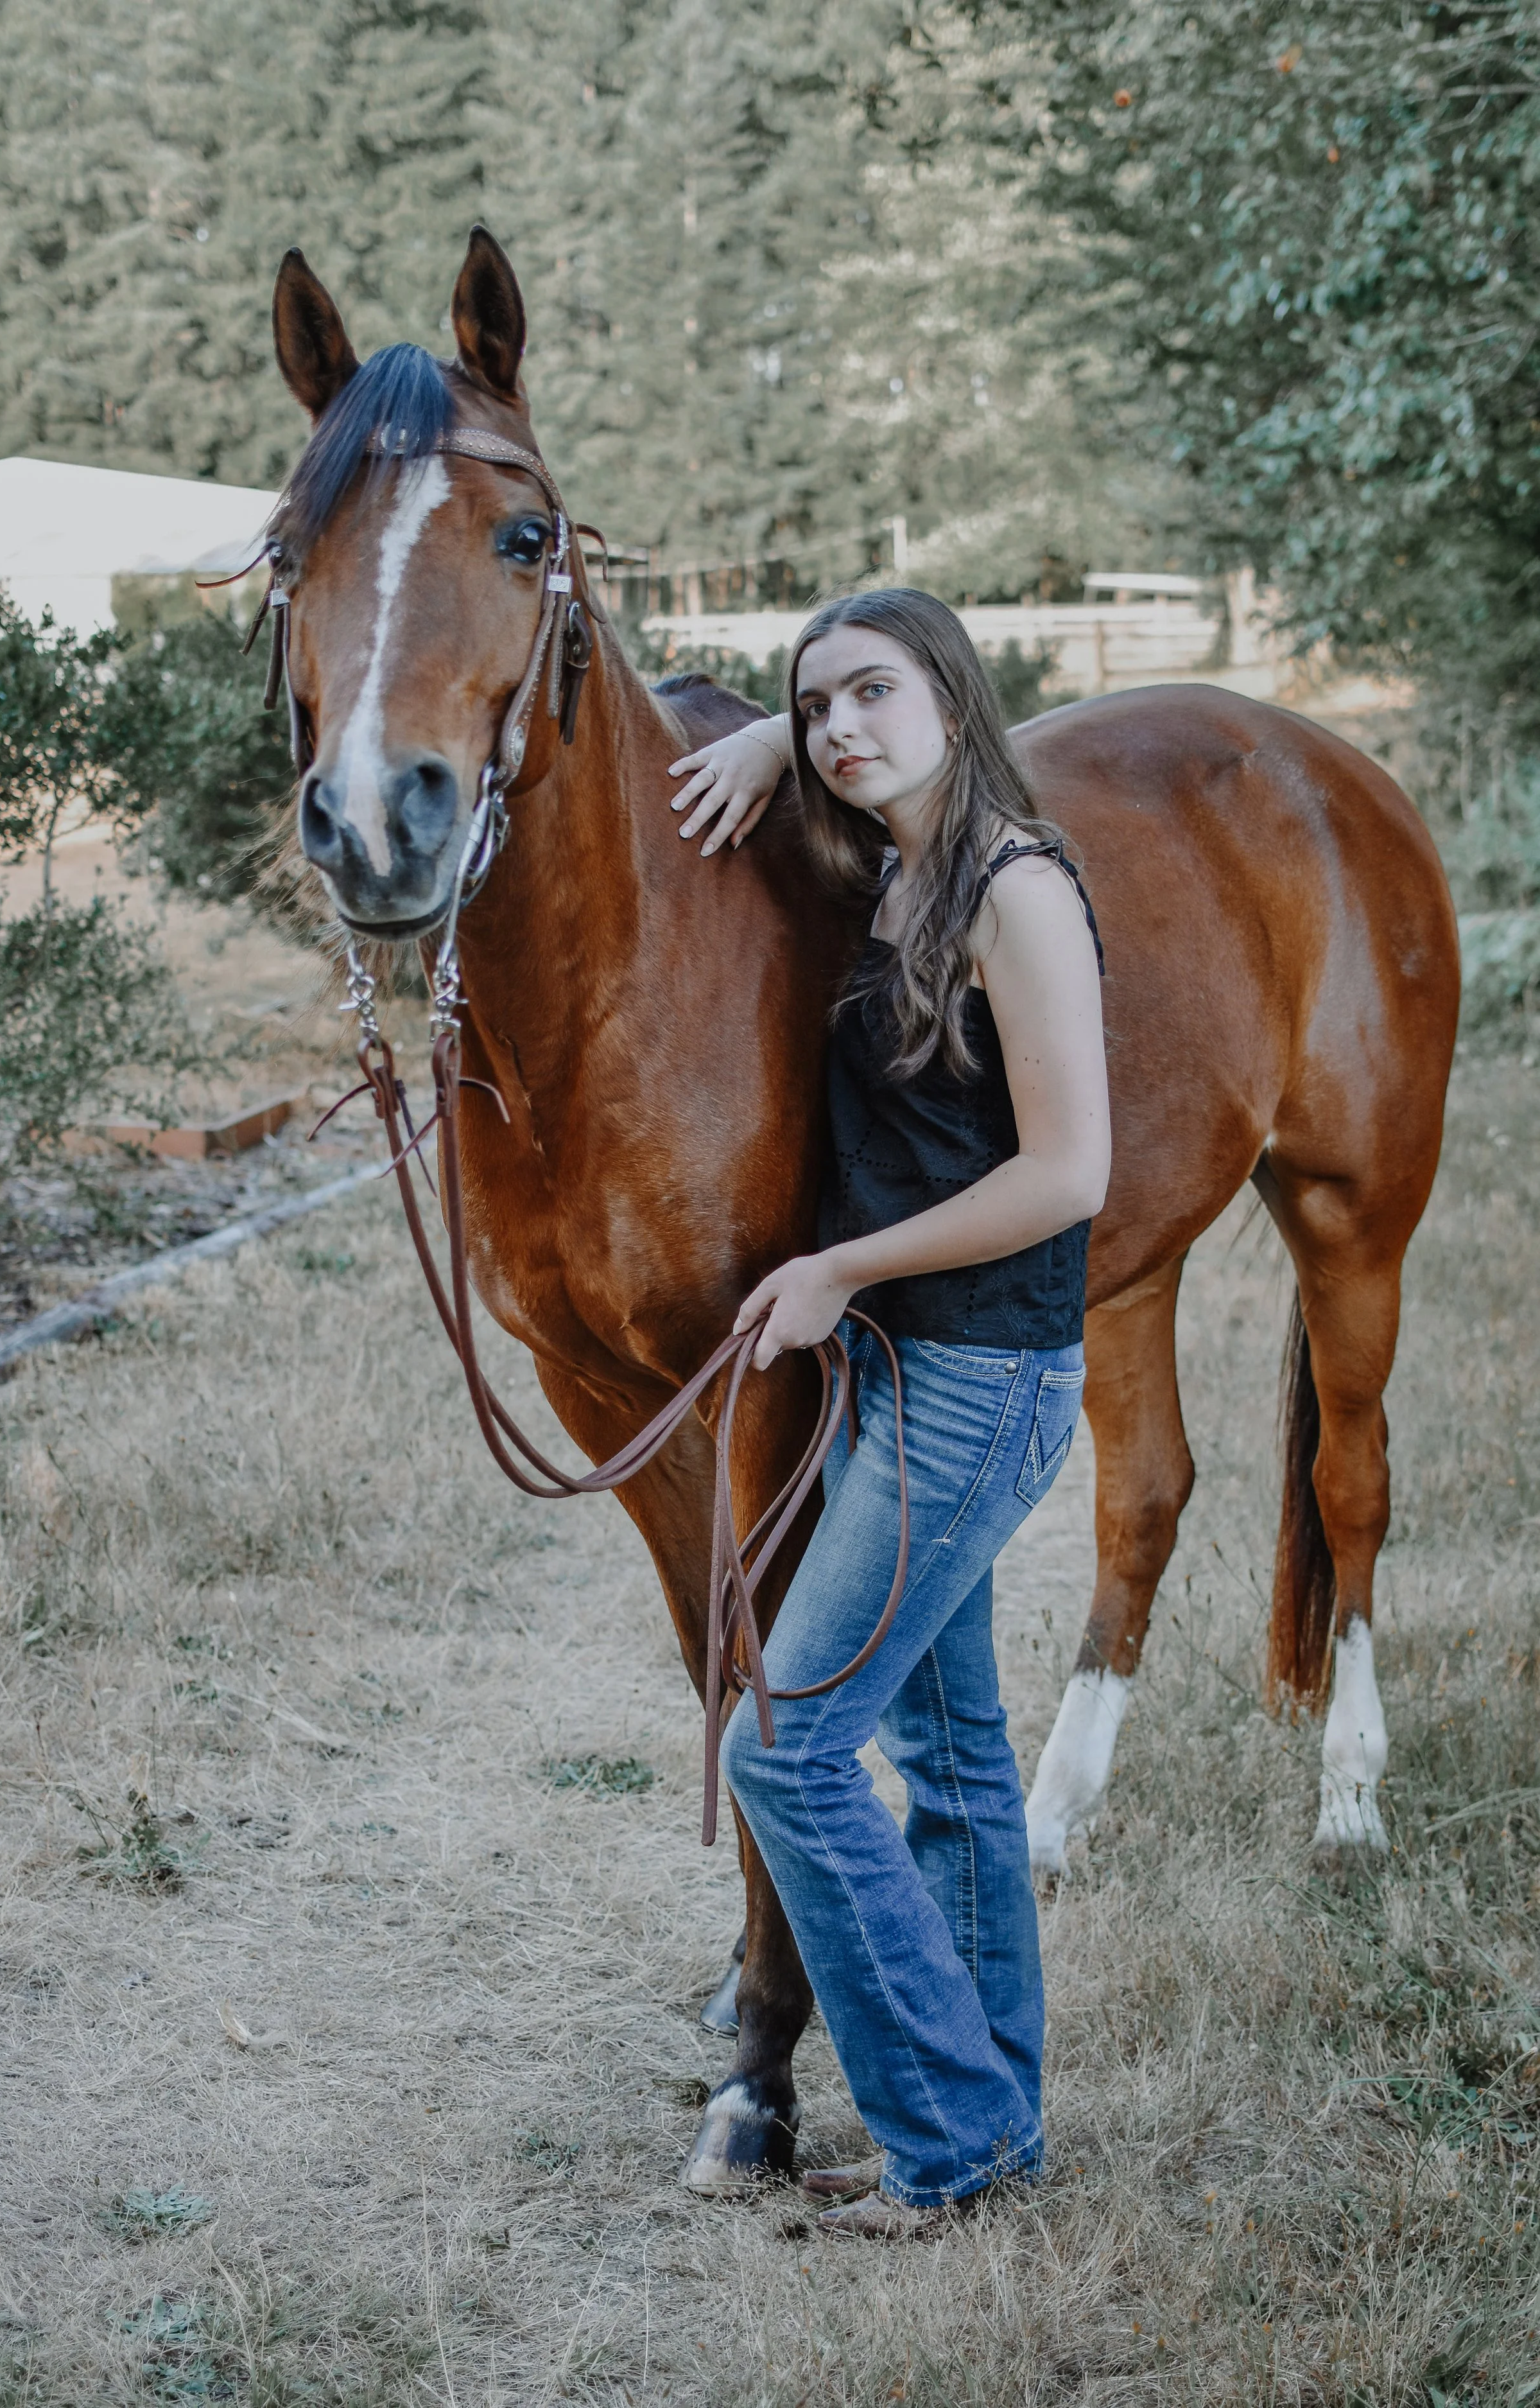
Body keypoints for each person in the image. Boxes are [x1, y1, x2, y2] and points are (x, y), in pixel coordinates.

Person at [668, 589, 1109, 2238]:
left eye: (872, 692)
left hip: (976, 1381)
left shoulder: (1015, 888)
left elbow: (1068, 1173)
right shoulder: (905, 871)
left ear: (950, 690)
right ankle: (989, 2135)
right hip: (907, 1377)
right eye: (814, 707)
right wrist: (784, 753)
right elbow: (846, 758)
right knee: (946, 1753)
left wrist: (840, 1268)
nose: (841, 727)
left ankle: (941, 2140)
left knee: (781, 1751)